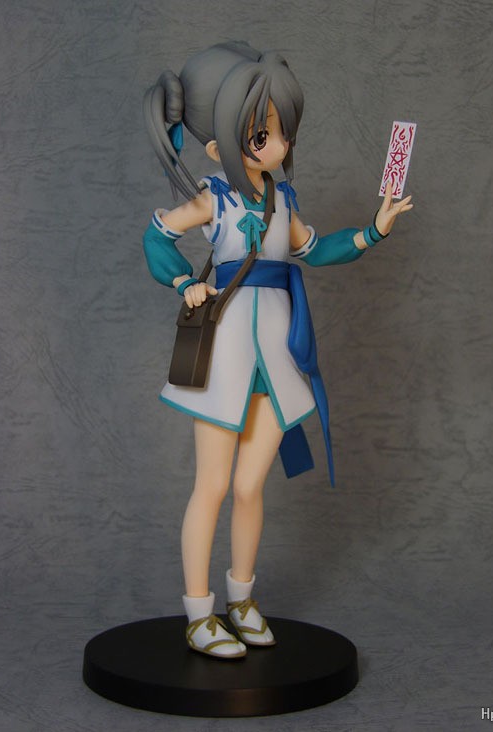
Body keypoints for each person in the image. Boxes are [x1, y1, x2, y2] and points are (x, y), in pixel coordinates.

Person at [142, 41, 413, 659]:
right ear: (219, 146)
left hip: (278, 356)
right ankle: (198, 613)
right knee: (212, 486)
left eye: (280, 131)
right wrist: (184, 282)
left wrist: (373, 232)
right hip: (225, 355)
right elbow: (157, 236)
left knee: (249, 487)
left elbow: (315, 250)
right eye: (260, 133)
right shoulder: (215, 198)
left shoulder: (283, 200)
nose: (276, 144)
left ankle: (241, 600)